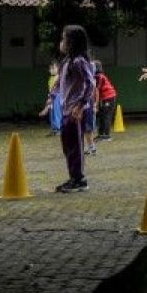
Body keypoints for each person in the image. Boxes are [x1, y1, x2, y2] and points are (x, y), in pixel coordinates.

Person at [55, 25, 96, 193]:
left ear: (72, 42)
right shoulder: (67, 61)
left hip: (76, 110)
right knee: (68, 144)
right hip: (67, 109)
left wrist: (80, 105)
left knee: (75, 146)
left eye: (64, 38)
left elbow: (90, 83)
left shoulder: (79, 61)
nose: (62, 42)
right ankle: (73, 176)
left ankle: (79, 179)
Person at [93, 61, 118, 141]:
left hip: (110, 97)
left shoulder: (99, 76)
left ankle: (107, 135)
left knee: (106, 115)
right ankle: (100, 134)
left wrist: (96, 104)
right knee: (102, 115)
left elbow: (97, 90)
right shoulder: (96, 76)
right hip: (104, 98)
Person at [38, 61, 62, 136]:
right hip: (52, 96)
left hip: (57, 97)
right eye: (50, 68)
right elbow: (50, 89)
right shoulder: (50, 78)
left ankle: (59, 129)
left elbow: (56, 89)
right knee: (52, 113)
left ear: (58, 68)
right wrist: (49, 97)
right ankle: (54, 129)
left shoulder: (59, 77)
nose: (51, 70)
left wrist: (52, 97)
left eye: (53, 68)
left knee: (57, 112)